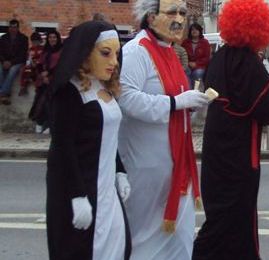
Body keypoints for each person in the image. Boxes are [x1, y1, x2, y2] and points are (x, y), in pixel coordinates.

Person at [117, 0, 209, 259]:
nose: (179, 19)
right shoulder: (137, 51)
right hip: (145, 166)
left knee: (180, 237)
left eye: (182, 12)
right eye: (171, 12)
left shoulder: (170, 51)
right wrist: (175, 103)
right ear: (150, 18)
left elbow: (176, 99)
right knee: (144, 236)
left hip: (176, 164)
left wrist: (191, 104)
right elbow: (126, 100)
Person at [192, 0, 269, 259]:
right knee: (237, 221)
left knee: (219, 218)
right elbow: (266, 111)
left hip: (215, 153)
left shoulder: (219, 58)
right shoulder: (251, 64)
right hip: (240, 157)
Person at [46, 20, 131, 260]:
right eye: (105, 53)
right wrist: (77, 195)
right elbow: (62, 148)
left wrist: (119, 171)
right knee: (82, 249)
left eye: (116, 53)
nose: (113, 61)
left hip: (107, 190)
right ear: (84, 53)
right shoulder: (69, 93)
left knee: (116, 247)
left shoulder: (105, 87)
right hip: (82, 188)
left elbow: (107, 136)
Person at [28, 30, 63, 134]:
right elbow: (39, 64)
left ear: (57, 38)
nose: (52, 39)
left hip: (55, 80)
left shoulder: (61, 50)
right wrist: (42, 74)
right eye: (50, 37)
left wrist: (48, 73)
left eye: (54, 37)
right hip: (43, 81)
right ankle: (40, 122)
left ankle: (49, 125)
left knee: (51, 104)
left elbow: (60, 65)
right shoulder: (45, 50)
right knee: (40, 102)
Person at [0, 19, 28, 105]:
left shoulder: (23, 38)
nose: (12, 29)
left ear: (18, 28)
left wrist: (11, 62)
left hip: (17, 62)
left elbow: (22, 54)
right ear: (9, 28)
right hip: (4, 60)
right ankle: (4, 95)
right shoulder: (3, 37)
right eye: (11, 27)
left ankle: (2, 93)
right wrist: (4, 61)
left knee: (12, 71)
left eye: (15, 27)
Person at [182, 23, 210, 89]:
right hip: (188, 65)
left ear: (200, 31)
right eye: (192, 30)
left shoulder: (205, 42)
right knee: (185, 72)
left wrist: (196, 64)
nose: (194, 31)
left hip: (201, 66)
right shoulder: (185, 42)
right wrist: (188, 63)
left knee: (197, 73)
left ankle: (196, 90)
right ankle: (189, 90)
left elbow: (207, 58)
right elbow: (182, 55)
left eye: (196, 30)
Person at [18, 32, 44, 96]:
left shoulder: (43, 49)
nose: (35, 43)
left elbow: (43, 58)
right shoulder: (30, 50)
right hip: (31, 67)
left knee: (38, 73)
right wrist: (28, 64)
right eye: (33, 42)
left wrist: (37, 63)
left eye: (36, 41)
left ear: (40, 41)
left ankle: (38, 87)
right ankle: (23, 87)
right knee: (25, 70)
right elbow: (28, 59)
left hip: (39, 66)